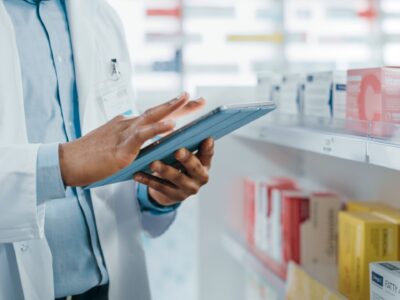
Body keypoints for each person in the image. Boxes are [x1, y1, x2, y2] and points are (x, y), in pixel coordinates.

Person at [0, 0, 215, 299]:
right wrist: (61, 164)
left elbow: (113, 162)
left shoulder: (100, 15)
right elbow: (81, 157)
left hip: (105, 286)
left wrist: (156, 192)